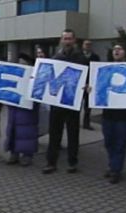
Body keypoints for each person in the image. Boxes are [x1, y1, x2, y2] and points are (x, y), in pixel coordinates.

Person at [42, 29, 89, 174]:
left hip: (72, 102)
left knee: (73, 133)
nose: (67, 41)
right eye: (65, 39)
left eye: (70, 39)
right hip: (56, 102)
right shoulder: (55, 57)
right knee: (54, 133)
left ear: (74, 41)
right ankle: (51, 162)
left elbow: (88, 78)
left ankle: (72, 162)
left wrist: (87, 86)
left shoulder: (82, 58)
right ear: (61, 40)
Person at [99, 44, 126, 184]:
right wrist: (91, 90)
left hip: (124, 116)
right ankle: (113, 165)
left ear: (125, 52)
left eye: (120, 48)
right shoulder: (105, 70)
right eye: (114, 49)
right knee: (108, 142)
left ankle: (116, 170)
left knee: (120, 143)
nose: (116, 50)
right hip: (108, 115)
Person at [5, 53, 39, 166]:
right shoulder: (12, 75)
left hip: (27, 109)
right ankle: (13, 152)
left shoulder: (35, 76)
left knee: (26, 133)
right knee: (13, 132)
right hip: (14, 109)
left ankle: (27, 154)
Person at [82, 39, 101, 130]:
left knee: (88, 106)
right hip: (80, 84)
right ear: (83, 45)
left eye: (89, 44)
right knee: (76, 105)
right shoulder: (78, 56)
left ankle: (86, 123)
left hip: (90, 84)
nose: (88, 46)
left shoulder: (95, 57)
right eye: (86, 44)